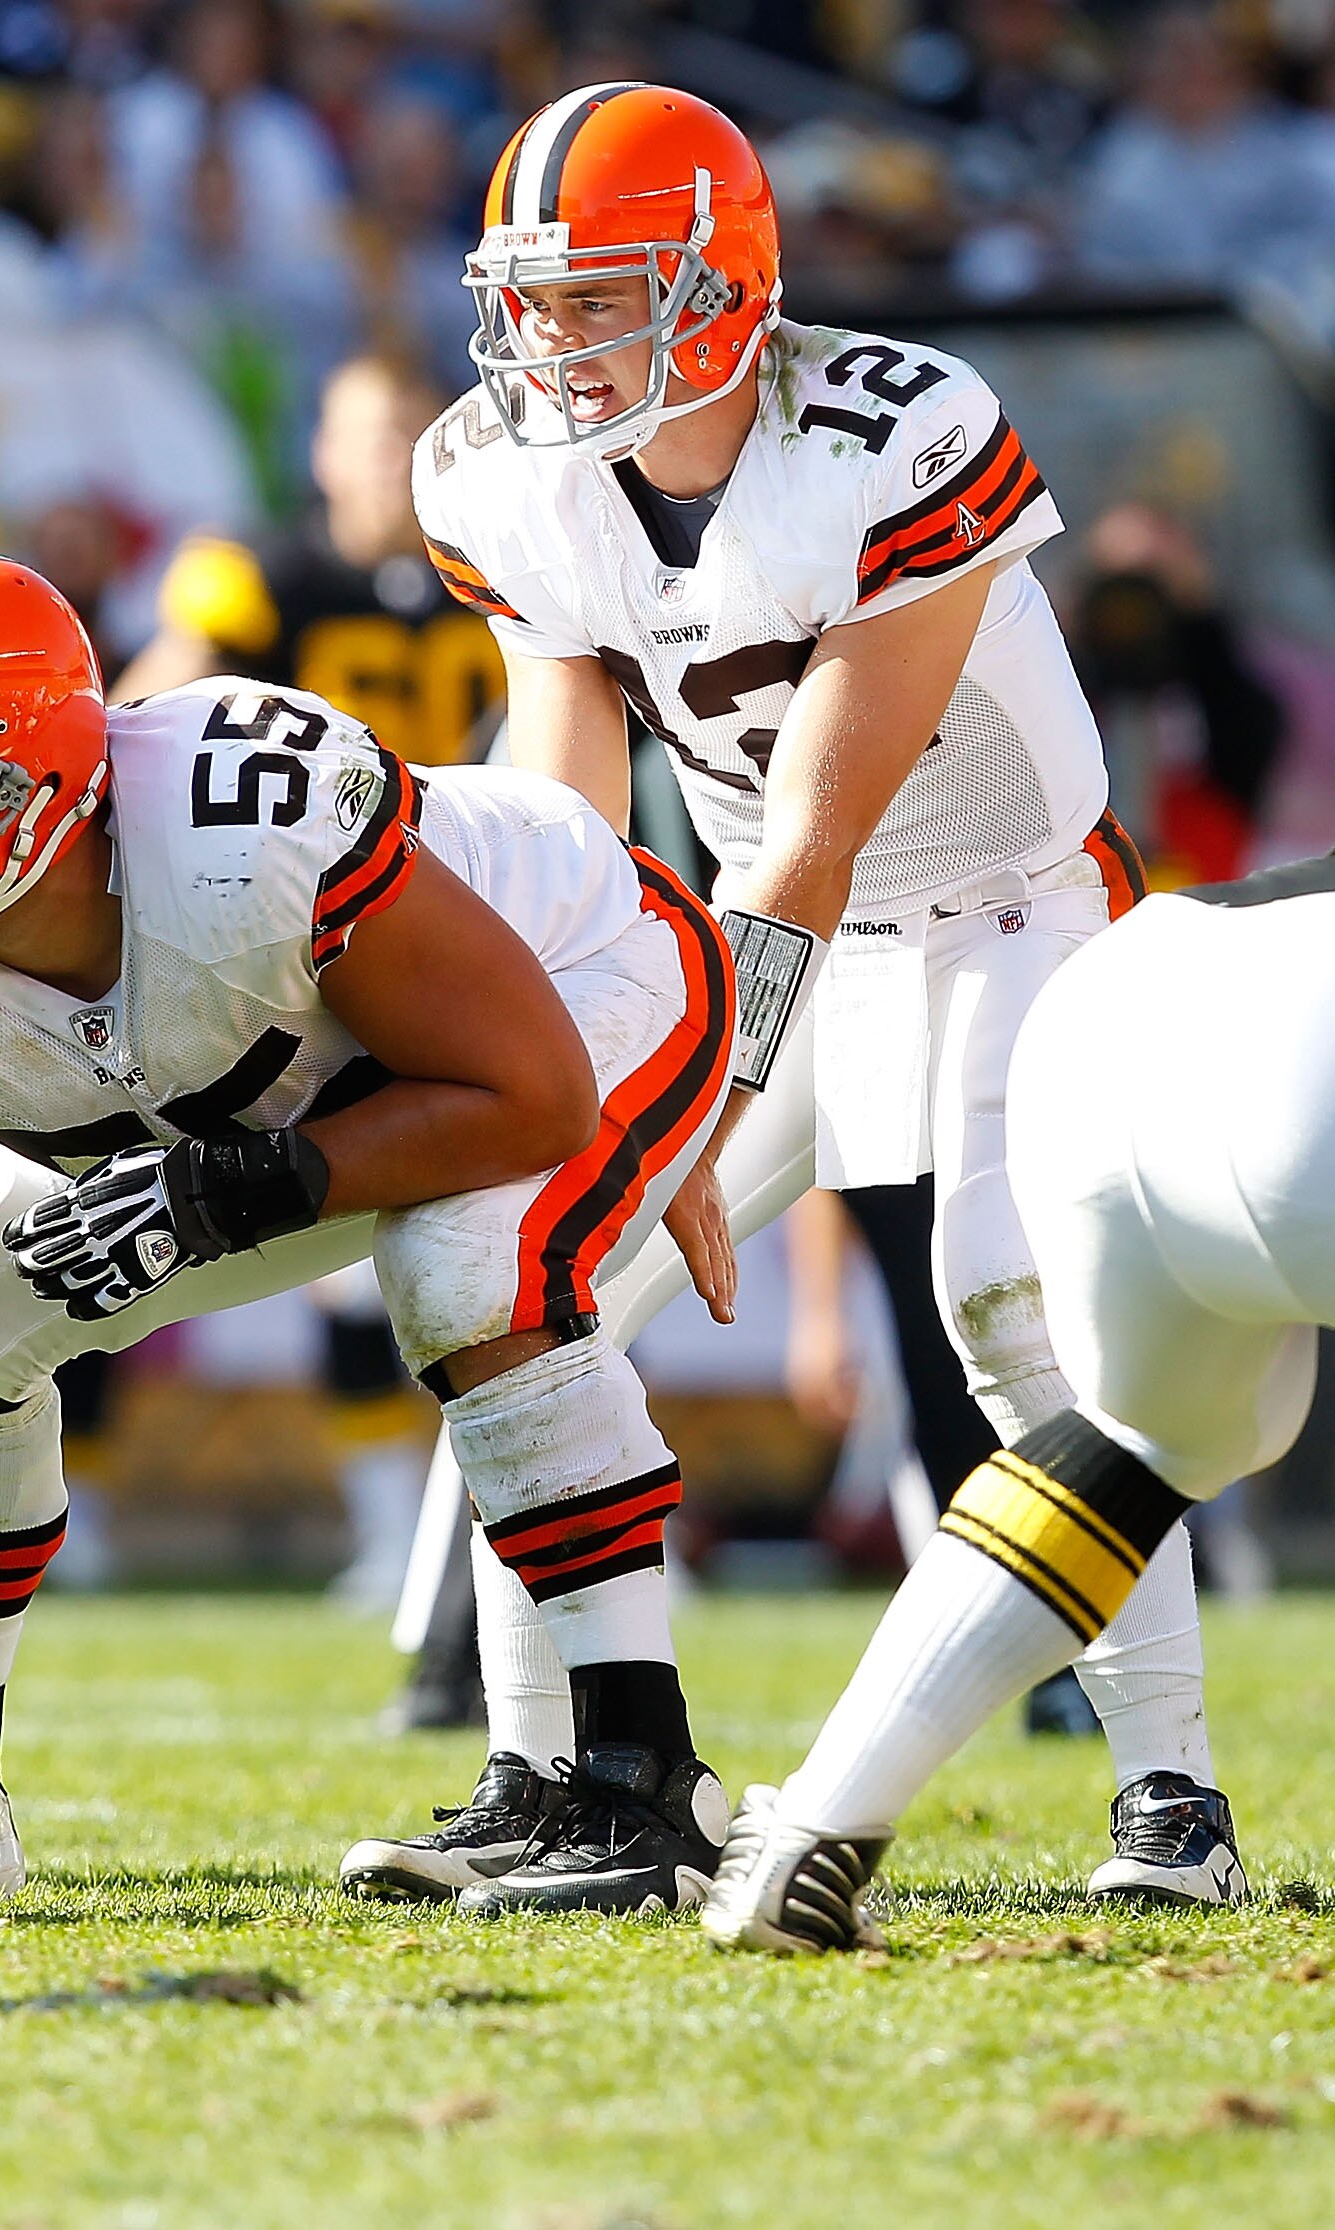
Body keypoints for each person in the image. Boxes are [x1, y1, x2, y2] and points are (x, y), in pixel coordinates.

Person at [0, 549, 740, 1913]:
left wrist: (229, 1192)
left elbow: (527, 1095)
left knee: (464, 1266)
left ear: (43, 789)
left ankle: (645, 1784)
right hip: (247, 1108)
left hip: (584, 978)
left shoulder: (238, 828)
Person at [389, 82, 1238, 1908]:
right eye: (531, 294)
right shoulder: (500, 472)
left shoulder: (893, 431)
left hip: (1012, 910)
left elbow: (816, 838)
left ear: (717, 281)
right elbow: (562, 818)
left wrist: (682, 1104)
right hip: (753, 926)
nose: (550, 336)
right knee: (527, 1281)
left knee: (1014, 1322)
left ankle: (1173, 1798)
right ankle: (564, 1777)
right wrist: (576, 1077)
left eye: (598, 292)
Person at [704, 857, 1330, 1949]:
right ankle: (1163, 1798)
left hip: (1130, 999)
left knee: (1141, 1442)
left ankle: (819, 1817)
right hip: (1119, 978)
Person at [118, 352, 502, 769]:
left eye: (414, 438)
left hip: (480, 823)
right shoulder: (266, 579)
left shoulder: (502, 568)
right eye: (375, 442)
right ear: (324, 453)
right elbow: (131, 729)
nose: (394, 463)